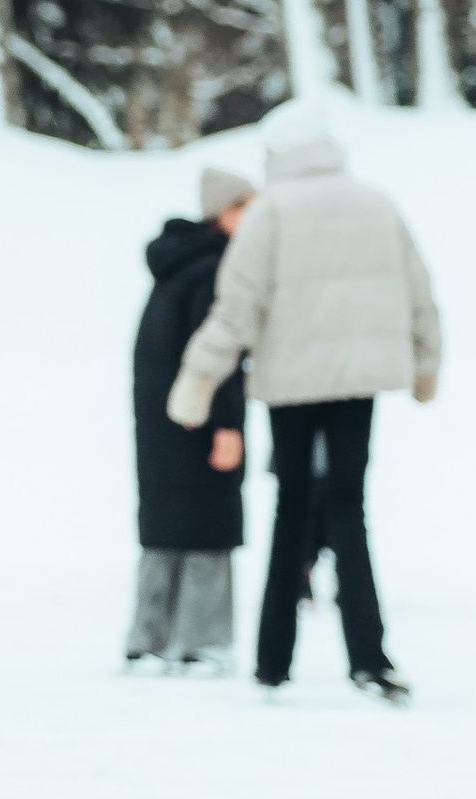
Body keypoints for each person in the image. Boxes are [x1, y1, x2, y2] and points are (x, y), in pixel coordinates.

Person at [168, 117, 442, 703]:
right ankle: (370, 659)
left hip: (290, 383)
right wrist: (426, 362)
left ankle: (273, 662)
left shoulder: (272, 211)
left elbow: (237, 306)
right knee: (350, 507)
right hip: (360, 382)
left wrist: (200, 375)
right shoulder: (376, 202)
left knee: (291, 508)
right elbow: (420, 286)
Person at [126, 166, 253, 675]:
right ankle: (204, 642)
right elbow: (215, 358)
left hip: (159, 416)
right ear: (222, 213)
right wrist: (227, 424)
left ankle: (150, 639)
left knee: (165, 523)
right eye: (245, 207)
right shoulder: (216, 268)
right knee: (208, 522)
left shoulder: (177, 262)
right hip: (197, 415)